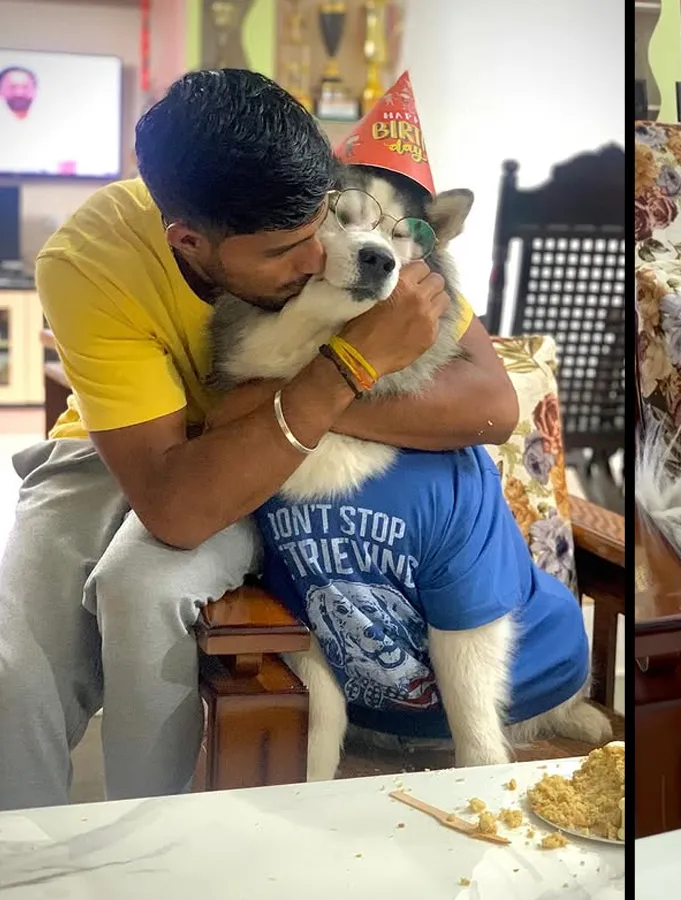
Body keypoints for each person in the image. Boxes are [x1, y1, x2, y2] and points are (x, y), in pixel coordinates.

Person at [0, 69, 518, 811]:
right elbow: (174, 500)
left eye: (326, 224)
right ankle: (21, 859)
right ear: (190, 243)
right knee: (19, 666)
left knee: (142, 589)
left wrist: (311, 394)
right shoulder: (89, 258)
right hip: (127, 448)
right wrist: (351, 365)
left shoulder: (354, 228)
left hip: (290, 460)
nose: (320, 259)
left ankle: (159, 838)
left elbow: (493, 404)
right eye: (284, 251)